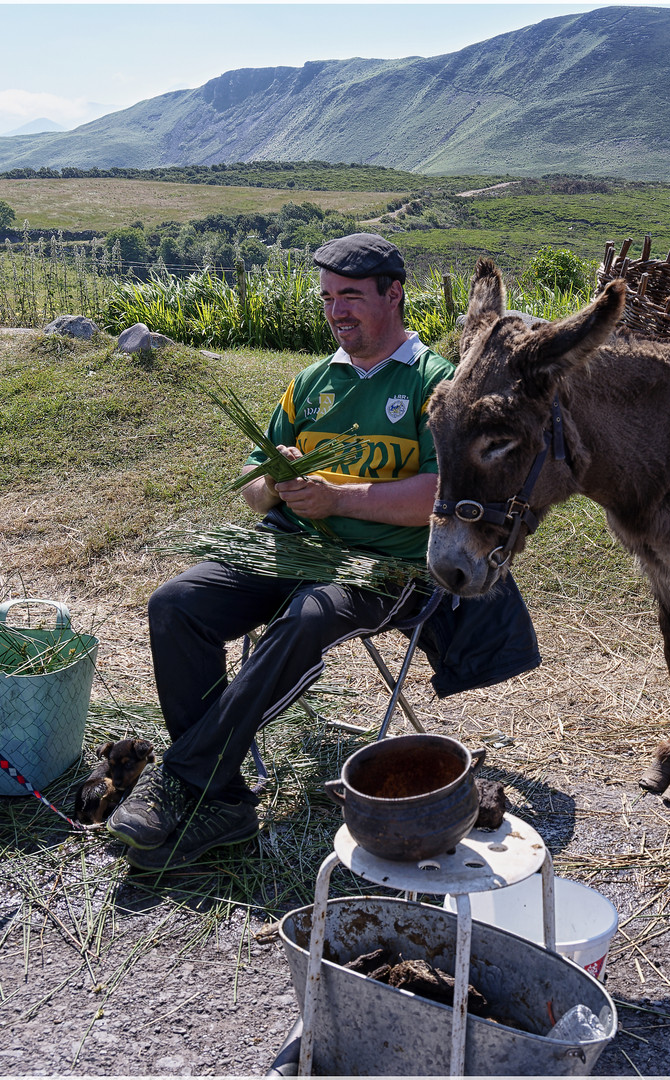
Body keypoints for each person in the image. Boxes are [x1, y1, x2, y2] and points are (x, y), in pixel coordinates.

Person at [110, 233, 457, 869]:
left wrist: (339, 498)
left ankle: (184, 776)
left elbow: (439, 494)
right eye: (327, 298)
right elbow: (252, 488)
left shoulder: (436, 384)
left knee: (305, 618)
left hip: (386, 567)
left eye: (350, 296)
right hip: (291, 546)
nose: (335, 312)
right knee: (174, 605)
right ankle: (224, 799)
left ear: (394, 294)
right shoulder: (310, 382)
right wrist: (275, 479)